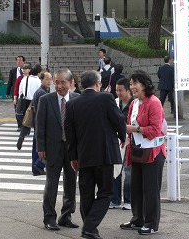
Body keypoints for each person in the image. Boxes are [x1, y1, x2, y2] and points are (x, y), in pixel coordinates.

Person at [65, 70, 126, 239]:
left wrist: (73, 157)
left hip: (84, 155)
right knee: (106, 192)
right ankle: (90, 227)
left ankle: (90, 229)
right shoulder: (106, 98)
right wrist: (122, 136)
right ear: (98, 84)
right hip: (105, 154)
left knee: (86, 193)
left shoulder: (72, 104)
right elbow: (118, 119)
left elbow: (70, 134)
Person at [120, 70, 166, 236]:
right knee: (136, 187)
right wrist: (126, 136)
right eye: (131, 84)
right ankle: (137, 219)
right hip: (137, 151)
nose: (132, 87)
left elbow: (155, 130)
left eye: (134, 83)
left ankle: (152, 223)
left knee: (150, 189)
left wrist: (136, 129)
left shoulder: (154, 102)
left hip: (153, 152)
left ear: (145, 84)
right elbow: (128, 123)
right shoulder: (135, 103)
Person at [36, 68, 80, 232]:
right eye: (57, 82)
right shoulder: (45, 100)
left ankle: (66, 216)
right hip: (52, 148)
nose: (59, 86)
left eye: (63, 82)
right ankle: (49, 217)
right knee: (51, 184)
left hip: (71, 150)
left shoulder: (77, 99)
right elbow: (40, 126)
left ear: (71, 83)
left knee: (70, 184)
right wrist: (40, 147)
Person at [109, 78, 134, 210]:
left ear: (128, 90)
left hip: (130, 140)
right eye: (116, 90)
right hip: (117, 140)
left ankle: (128, 200)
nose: (118, 93)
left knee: (128, 171)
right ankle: (115, 199)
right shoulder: (114, 102)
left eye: (121, 90)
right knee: (115, 169)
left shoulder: (134, 104)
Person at [31, 72, 53, 176]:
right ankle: (38, 165)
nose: (49, 81)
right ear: (41, 80)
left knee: (37, 144)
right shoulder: (42, 93)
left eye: (50, 79)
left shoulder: (42, 91)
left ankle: (36, 167)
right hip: (41, 120)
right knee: (40, 144)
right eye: (47, 79)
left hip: (38, 119)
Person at [16, 64, 42, 150]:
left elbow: (20, 91)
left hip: (24, 101)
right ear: (38, 72)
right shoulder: (38, 81)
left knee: (26, 120)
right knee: (37, 121)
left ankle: (22, 135)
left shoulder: (25, 78)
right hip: (34, 102)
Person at [6, 55, 26, 131]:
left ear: (24, 62)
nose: (18, 62)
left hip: (25, 93)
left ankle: (25, 124)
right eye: (17, 60)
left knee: (25, 109)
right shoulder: (13, 71)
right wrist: (7, 92)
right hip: (16, 93)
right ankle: (19, 125)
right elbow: (10, 82)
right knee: (17, 109)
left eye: (20, 60)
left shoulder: (27, 71)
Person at [13, 63, 31, 129]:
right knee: (19, 113)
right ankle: (21, 125)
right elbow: (16, 88)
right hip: (21, 98)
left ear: (29, 70)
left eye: (25, 69)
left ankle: (26, 127)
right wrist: (15, 98)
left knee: (28, 113)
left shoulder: (32, 78)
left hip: (29, 98)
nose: (24, 70)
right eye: (23, 69)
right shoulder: (20, 78)